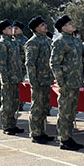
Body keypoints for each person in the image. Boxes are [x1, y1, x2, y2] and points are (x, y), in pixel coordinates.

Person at [50, 15, 84, 151]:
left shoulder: (76, 41)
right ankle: (64, 139)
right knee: (64, 111)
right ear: (63, 28)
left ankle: (69, 137)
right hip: (66, 83)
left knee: (72, 111)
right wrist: (61, 82)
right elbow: (54, 63)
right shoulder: (60, 42)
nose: (73, 24)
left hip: (76, 82)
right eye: (70, 24)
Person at [25, 15, 54, 143]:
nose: (45, 26)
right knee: (37, 107)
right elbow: (30, 63)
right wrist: (33, 81)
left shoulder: (47, 41)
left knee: (44, 107)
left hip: (47, 80)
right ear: (36, 28)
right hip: (38, 80)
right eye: (42, 25)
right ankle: (35, 133)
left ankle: (41, 131)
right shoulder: (33, 42)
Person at [0, 19, 25, 135]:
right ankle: (6, 126)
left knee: (15, 103)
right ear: (3, 31)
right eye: (8, 28)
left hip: (16, 78)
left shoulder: (13, 43)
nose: (12, 29)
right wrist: (4, 79)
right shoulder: (1, 44)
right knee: (7, 103)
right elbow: (1, 64)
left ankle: (12, 124)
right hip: (8, 79)